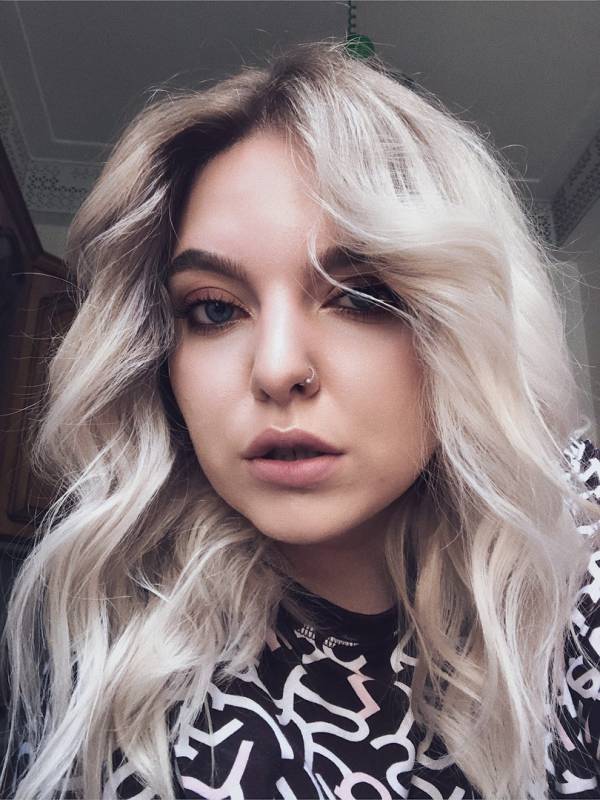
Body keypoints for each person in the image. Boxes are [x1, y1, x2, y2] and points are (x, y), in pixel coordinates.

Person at [1, 39, 600, 800]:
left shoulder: (571, 534)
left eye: (361, 295)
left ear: (463, 329)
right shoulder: (128, 685)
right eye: (214, 310)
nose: (278, 368)